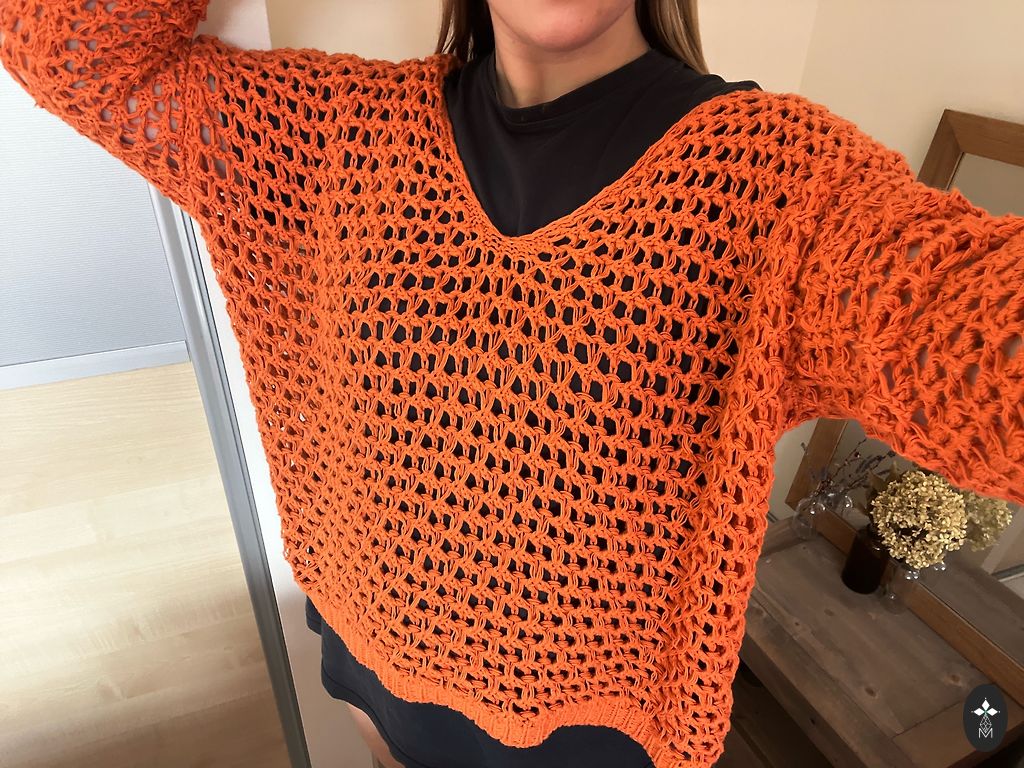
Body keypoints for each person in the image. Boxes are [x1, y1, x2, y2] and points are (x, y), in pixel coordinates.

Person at [2, 2, 1022, 768]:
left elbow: (972, 326)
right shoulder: (325, 133)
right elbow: (69, 50)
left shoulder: (782, 189)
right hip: (370, 664)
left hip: (589, 735)